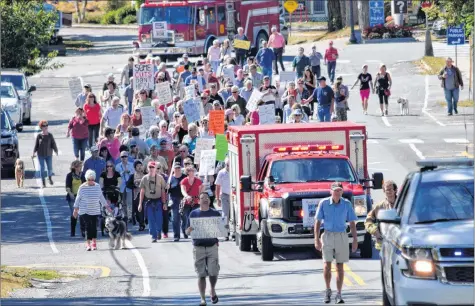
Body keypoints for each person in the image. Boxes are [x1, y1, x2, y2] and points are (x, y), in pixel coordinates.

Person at [314, 182, 357, 304]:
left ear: (342, 192)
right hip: (327, 235)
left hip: (341, 235)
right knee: (327, 265)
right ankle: (328, 290)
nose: (337, 193)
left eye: (339, 190)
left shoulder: (346, 204)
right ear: (330, 191)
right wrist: (316, 239)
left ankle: (339, 293)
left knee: (340, 266)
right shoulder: (324, 203)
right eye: (335, 190)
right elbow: (317, 222)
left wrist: (355, 240)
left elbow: (352, 223)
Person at [185, 192, 221, 306]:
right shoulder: (193, 214)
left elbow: (221, 228)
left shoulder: (215, 213)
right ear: (198, 201)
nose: (205, 199)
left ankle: (212, 289)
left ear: (209, 201)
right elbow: (186, 231)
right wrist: (189, 230)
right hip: (198, 247)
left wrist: (224, 228)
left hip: (212, 246)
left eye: (206, 198)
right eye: (202, 198)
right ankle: (202, 298)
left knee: (213, 272)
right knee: (201, 274)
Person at [73, 170, 110, 251]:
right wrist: (75, 209)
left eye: (92, 179)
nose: (90, 181)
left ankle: (94, 242)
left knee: (94, 226)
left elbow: (101, 197)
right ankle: (88, 243)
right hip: (84, 210)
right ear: (86, 179)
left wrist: (107, 207)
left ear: (94, 179)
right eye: (89, 179)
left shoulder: (97, 186)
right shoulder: (82, 187)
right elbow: (77, 199)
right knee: (88, 226)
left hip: (94, 210)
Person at [138, 161, 167, 242]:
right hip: (149, 202)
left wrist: (164, 203)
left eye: (153, 167)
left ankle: (158, 232)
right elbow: (142, 191)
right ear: (147, 168)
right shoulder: (144, 178)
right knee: (150, 219)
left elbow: (163, 191)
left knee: (159, 219)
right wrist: (140, 204)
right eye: (150, 167)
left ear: (155, 168)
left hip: (158, 201)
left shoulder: (160, 178)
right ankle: (153, 236)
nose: (151, 169)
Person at [365, 180, 397, 250]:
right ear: (384, 191)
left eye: (390, 189)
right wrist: (375, 231)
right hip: (383, 245)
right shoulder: (379, 206)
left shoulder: (403, 205)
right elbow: (368, 220)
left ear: (395, 190)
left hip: (399, 244)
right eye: (386, 190)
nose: (388, 192)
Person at [33, 120, 59, 188]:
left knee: (50, 167)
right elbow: (36, 145)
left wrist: (56, 150)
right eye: (44, 126)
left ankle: (49, 178)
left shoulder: (50, 135)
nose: (45, 127)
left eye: (46, 125)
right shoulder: (39, 136)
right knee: (42, 168)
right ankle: (43, 182)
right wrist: (34, 152)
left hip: (49, 154)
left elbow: (53, 143)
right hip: (40, 154)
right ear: (41, 127)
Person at [180, 166, 203, 238]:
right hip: (187, 202)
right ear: (187, 172)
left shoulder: (198, 180)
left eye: (193, 171)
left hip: (195, 201)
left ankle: (193, 231)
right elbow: (183, 190)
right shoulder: (184, 181)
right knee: (185, 217)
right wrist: (187, 196)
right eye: (191, 171)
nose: (192, 172)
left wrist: (199, 195)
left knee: (193, 216)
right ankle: (184, 230)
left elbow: (202, 187)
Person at [66, 160, 85, 237]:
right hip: (73, 197)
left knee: (82, 214)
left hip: (81, 196)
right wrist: (70, 194)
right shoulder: (70, 175)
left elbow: (85, 185)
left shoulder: (83, 175)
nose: (81, 168)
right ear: (76, 167)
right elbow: (67, 187)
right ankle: (72, 231)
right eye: (80, 166)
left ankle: (83, 231)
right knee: (74, 214)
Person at [167, 163, 186, 241]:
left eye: (179, 168)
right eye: (176, 168)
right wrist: (167, 187)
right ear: (173, 169)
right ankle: (176, 235)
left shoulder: (184, 177)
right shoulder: (170, 179)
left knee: (185, 217)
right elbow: (167, 191)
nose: (177, 170)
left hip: (184, 199)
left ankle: (185, 231)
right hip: (174, 199)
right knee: (175, 218)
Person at [126, 160, 146, 231]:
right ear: (135, 168)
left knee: (143, 209)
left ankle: (142, 224)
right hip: (136, 195)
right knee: (137, 210)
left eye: (140, 165)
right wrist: (135, 187)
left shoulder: (145, 175)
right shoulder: (132, 176)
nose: (139, 167)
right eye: (138, 166)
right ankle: (138, 221)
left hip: (145, 194)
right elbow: (128, 184)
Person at [116, 151, 134, 225]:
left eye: (125, 156)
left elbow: (133, 174)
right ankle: (125, 216)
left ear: (127, 157)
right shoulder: (118, 166)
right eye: (122, 157)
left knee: (129, 202)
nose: (124, 158)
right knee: (123, 203)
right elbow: (117, 175)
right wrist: (123, 172)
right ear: (120, 158)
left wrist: (128, 171)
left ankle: (130, 217)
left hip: (129, 186)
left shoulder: (131, 165)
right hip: (122, 186)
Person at [215, 159, 230, 240]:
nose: (228, 167)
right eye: (227, 165)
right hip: (225, 195)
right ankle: (225, 232)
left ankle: (234, 232)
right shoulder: (221, 173)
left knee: (233, 215)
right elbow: (217, 185)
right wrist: (217, 198)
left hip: (234, 195)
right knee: (225, 214)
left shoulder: (235, 171)